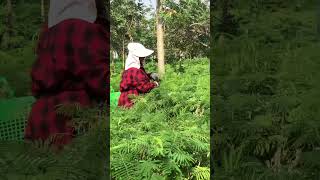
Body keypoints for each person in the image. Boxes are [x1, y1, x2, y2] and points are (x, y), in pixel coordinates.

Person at [25, 0, 109, 148]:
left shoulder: (47, 34)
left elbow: (37, 80)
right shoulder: (84, 30)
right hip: (71, 119)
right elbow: (100, 80)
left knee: (42, 167)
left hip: (41, 117)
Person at [118, 42, 160, 108]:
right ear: (136, 57)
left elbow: (140, 78)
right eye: (142, 57)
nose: (144, 58)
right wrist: (155, 84)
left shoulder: (131, 68)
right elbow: (143, 87)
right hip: (131, 101)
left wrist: (150, 75)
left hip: (126, 99)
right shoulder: (134, 70)